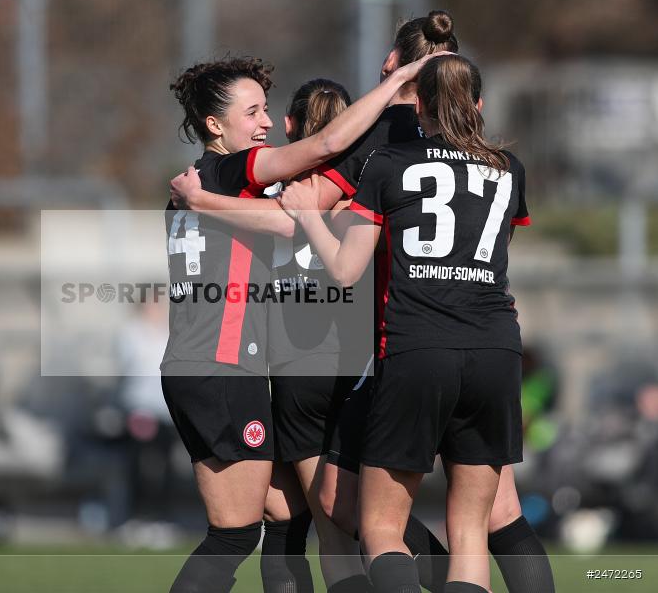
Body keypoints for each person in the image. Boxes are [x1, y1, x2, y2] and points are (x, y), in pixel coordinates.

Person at [163, 52, 441, 593]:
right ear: (215, 126)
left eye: (267, 110)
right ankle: (452, 575)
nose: (265, 123)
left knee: (286, 511)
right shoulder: (228, 172)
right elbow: (327, 146)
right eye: (253, 112)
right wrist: (399, 85)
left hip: (200, 367)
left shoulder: (197, 185)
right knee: (234, 534)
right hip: (223, 370)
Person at [280, 54, 549, 593]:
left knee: (380, 528)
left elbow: (346, 267)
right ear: (478, 105)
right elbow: (494, 254)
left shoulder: (387, 163)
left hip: (418, 349)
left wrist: (307, 215)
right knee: (471, 529)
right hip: (496, 349)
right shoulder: (508, 169)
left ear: (418, 105)